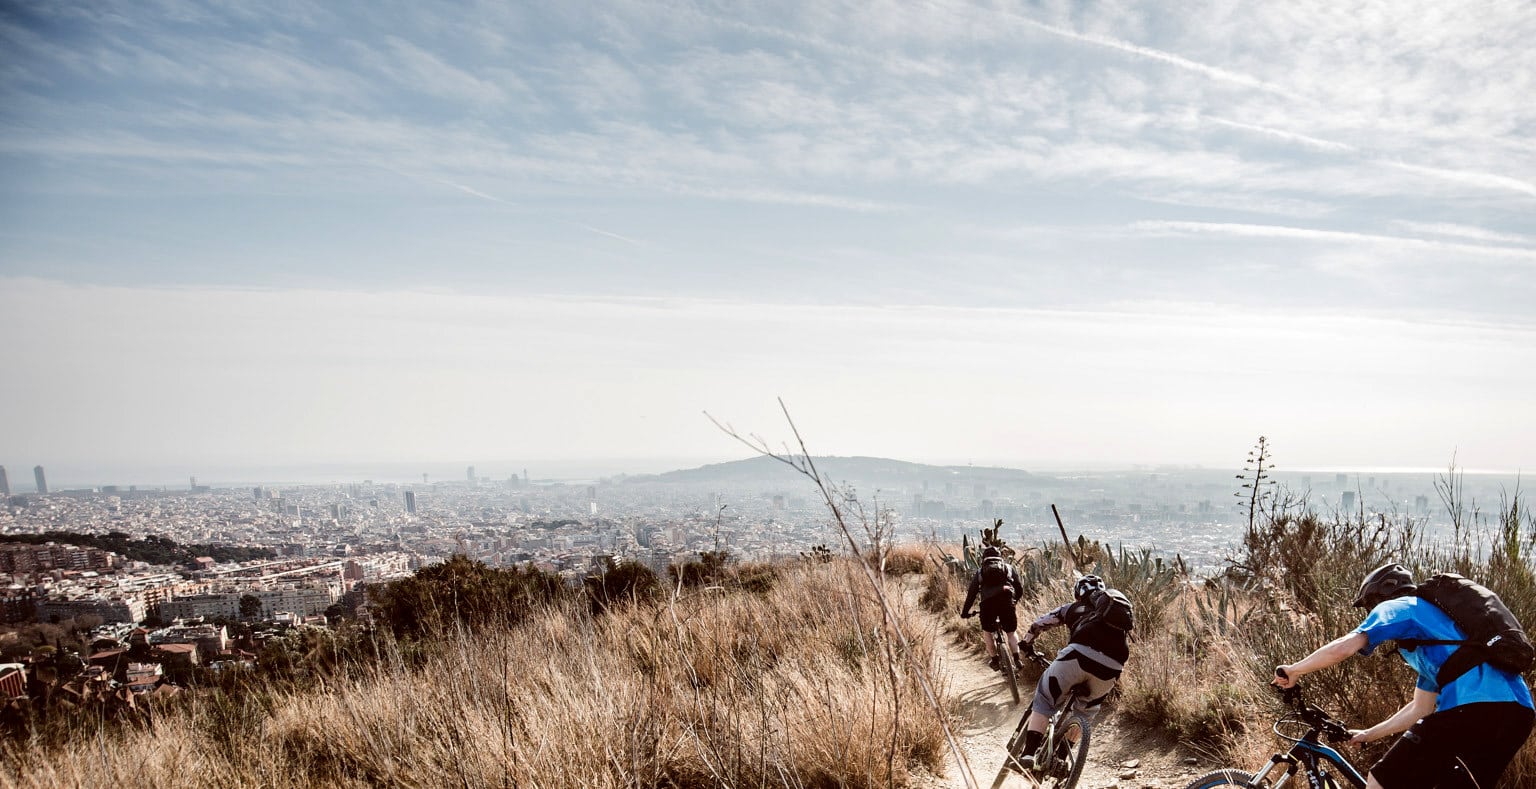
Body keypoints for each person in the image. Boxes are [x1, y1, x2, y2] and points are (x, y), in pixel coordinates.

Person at [1273, 562, 1534, 789]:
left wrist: (1294, 670)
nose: (1369, 613)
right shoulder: (1438, 636)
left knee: (1381, 781)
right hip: (1517, 715)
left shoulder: (1402, 607)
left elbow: (1343, 648)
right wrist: (1368, 734)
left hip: (1475, 710)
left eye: (1369, 607)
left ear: (1379, 597)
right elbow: (1421, 708)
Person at [1015, 574, 1131, 772]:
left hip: (1076, 656)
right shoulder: (1115, 614)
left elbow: (1039, 624)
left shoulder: (1072, 608)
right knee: (1085, 713)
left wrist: (1026, 643)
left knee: (1045, 698)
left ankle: (1028, 754)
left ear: (1079, 594)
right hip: (1112, 669)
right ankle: (1060, 759)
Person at [960, 546, 1025, 671]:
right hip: (1007, 602)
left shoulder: (980, 572)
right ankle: (1017, 659)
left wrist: (965, 612)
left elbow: (972, 594)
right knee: (1011, 633)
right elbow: (1019, 588)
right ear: (1000, 557)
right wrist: (1014, 601)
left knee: (988, 632)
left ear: (984, 558)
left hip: (987, 605)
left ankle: (995, 660)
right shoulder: (1008, 568)